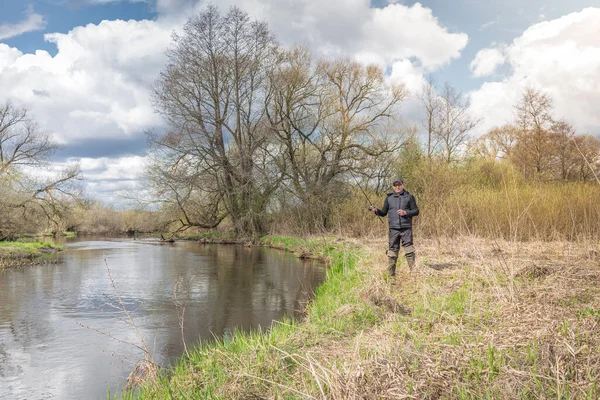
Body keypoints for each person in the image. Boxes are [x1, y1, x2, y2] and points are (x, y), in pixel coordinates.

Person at [368, 178, 419, 276]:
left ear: (403, 185)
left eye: (399, 184)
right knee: (392, 251)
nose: (397, 187)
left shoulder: (409, 197)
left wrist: (406, 212)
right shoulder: (389, 198)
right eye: (395, 185)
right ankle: (391, 275)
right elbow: (383, 213)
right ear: (393, 187)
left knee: (409, 250)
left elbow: (416, 211)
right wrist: (376, 210)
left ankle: (414, 273)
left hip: (406, 228)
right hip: (393, 229)